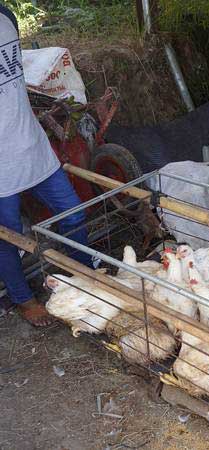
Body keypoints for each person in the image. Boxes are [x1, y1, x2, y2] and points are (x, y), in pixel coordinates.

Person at [1, 5, 92, 326]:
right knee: (8, 237)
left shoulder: (5, 16)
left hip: (32, 144)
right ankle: (23, 298)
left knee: (74, 213)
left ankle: (83, 274)